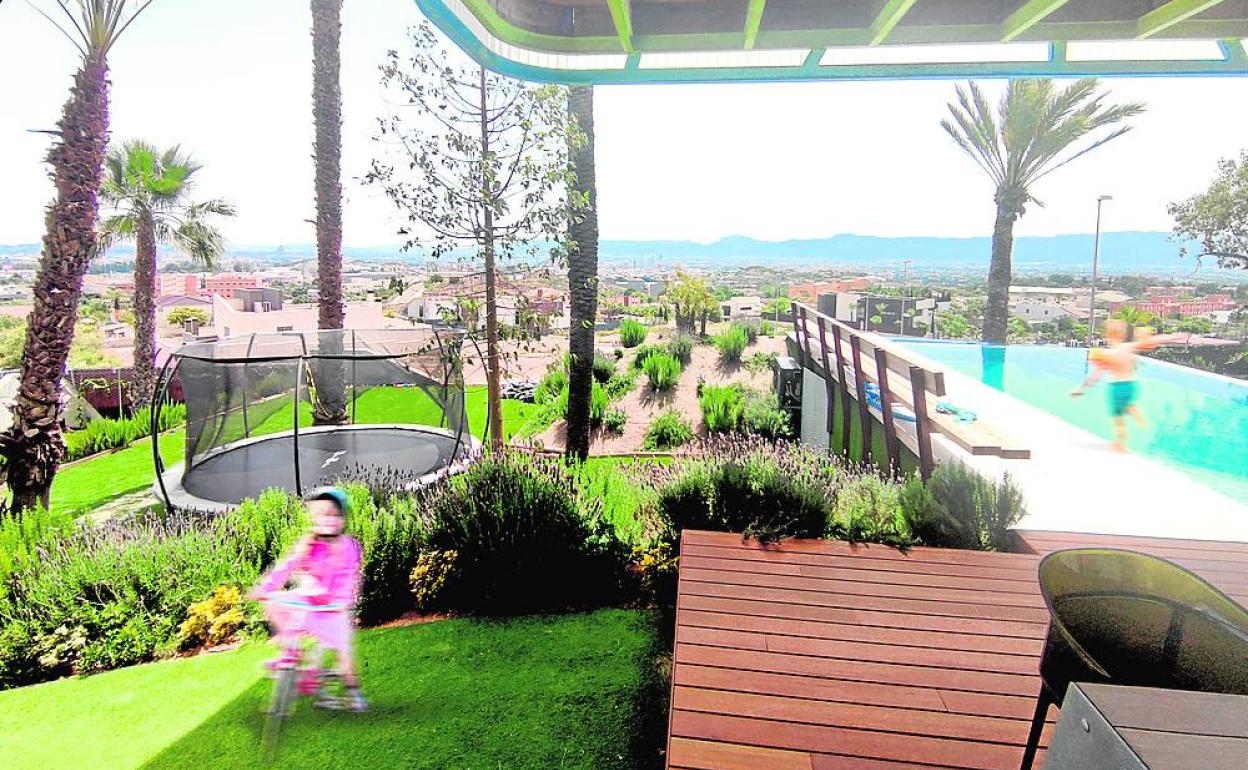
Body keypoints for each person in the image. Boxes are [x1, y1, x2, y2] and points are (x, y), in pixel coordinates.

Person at [251, 487, 367, 711]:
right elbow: (287, 566)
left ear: (342, 519)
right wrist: (266, 588)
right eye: (322, 515)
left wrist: (337, 600)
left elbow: (347, 578)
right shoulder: (310, 544)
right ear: (314, 518)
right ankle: (292, 652)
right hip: (309, 604)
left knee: (344, 654)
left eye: (333, 515)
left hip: (333, 610)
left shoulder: (348, 547)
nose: (328, 520)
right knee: (274, 602)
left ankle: (353, 691)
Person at [1071, 319, 1180, 453]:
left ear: (1108, 336)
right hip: (1132, 385)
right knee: (1127, 405)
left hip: (1117, 387)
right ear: (1122, 335)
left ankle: (1120, 444)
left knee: (1118, 417)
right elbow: (1153, 341)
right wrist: (1175, 336)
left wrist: (1081, 389)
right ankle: (1139, 419)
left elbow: (1095, 375)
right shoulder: (1128, 347)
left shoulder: (1108, 355)